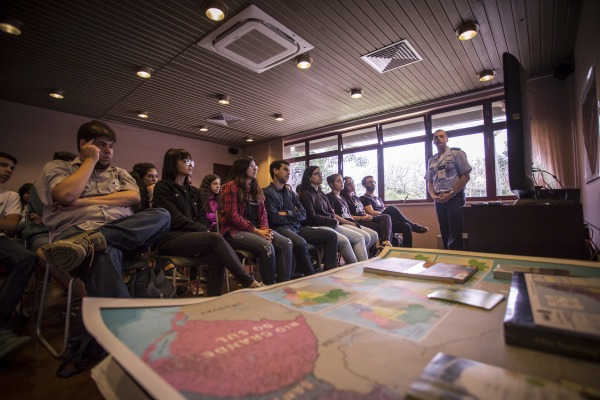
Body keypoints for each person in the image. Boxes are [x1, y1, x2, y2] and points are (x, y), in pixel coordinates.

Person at [35, 120, 171, 299]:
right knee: (104, 252)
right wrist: (91, 159)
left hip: (124, 234)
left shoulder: (119, 172)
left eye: (111, 146)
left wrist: (83, 201)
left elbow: (133, 197)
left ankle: (89, 242)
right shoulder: (60, 167)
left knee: (162, 215)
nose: (108, 151)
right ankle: (118, 321)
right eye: (101, 145)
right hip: (73, 235)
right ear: (84, 145)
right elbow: (66, 195)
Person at [152, 149, 263, 295]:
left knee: (216, 254)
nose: (190, 164)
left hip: (193, 238)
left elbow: (202, 217)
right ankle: (246, 280)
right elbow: (174, 217)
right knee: (214, 237)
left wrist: (202, 229)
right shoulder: (162, 187)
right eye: (185, 161)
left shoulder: (193, 191)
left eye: (191, 161)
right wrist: (202, 230)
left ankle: (213, 299)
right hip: (170, 238)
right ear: (172, 164)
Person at [220, 156, 293, 284]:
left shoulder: (256, 189)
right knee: (267, 246)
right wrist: (258, 232)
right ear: (242, 168)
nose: (255, 168)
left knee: (286, 243)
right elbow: (232, 216)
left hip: (256, 230)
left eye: (256, 166)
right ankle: (268, 287)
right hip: (234, 232)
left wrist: (264, 230)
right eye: (252, 166)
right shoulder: (230, 187)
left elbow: (263, 215)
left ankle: (283, 284)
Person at [263, 160, 339, 275]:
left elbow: (303, 214)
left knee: (332, 236)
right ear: (275, 171)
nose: (288, 173)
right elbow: (274, 218)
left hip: (297, 228)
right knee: (300, 242)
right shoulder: (267, 192)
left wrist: (287, 213)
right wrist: (293, 214)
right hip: (280, 229)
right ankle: (311, 275)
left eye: (289, 170)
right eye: (285, 169)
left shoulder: (290, 193)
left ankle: (328, 272)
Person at [0, 152, 37, 359]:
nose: (9, 170)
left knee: (26, 257)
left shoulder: (9, 196)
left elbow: (11, 224)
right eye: (4, 165)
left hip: (2, 240)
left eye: (11, 168)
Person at [298, 166, 367, 263]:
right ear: (309, 177)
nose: (320, 175)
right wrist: (331, 221)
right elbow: (312, 217)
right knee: (344, 241)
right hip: (316, 227)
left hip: (330, 224)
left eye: (321, 173)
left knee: (360, 237)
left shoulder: (321, 193)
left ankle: (362, 265)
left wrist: (333, 219)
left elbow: (331, 211)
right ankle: (356, 267)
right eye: (317, 174)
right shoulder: (305, 194)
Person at [426, 129, 471, 250]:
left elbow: (466, 176)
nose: (438, 139)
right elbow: (430, 182)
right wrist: (433, 196)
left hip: (454, 197)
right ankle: (447, 259)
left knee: (456, 231)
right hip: (439, 199)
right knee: (444, 231)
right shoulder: (432, 160)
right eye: (436, 137)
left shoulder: (457, 153)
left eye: (441, 136)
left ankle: (456, 262)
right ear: (433, 141)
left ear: (446, 139)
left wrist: (452, 193)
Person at [360, 175, 429, 248]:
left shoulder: (378, 199)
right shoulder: (364, 198)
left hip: (388, 220)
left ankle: (408, 250)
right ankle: (413, 226)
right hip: (378, 220)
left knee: (406, 226)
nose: (373, 183)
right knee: (391, 208)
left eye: (374, 182)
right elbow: (371, 212)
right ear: (364, 185)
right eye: (370, 182)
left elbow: (383, 210)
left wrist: (390, 216)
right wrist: (388, 213)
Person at [325, 174, 379, 255]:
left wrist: (355, 222)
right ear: (331, 184)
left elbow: (348, 214)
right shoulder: (329, 197)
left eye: (342, 181)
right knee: (365, 237)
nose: (341, 183)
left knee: (374, 235)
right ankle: (360, 261)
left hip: (350, 222)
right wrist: (350, 223)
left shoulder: (342, 198)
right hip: (342, 224)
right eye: (338, 181)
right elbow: (334, 215)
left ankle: (360, 255)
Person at [341, 176, 393, 248]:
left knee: (386, 218)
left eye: (353, 183)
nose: (352, 185)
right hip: (358, 220)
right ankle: (378, 249)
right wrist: (363, 218)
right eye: (349, 184)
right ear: (344, 187)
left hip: (365, 217)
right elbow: (348, 216)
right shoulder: (344, 199)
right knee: (379, 225)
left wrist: (367, 215)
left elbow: (362, 210)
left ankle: (385, 243)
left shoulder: (355, 197)